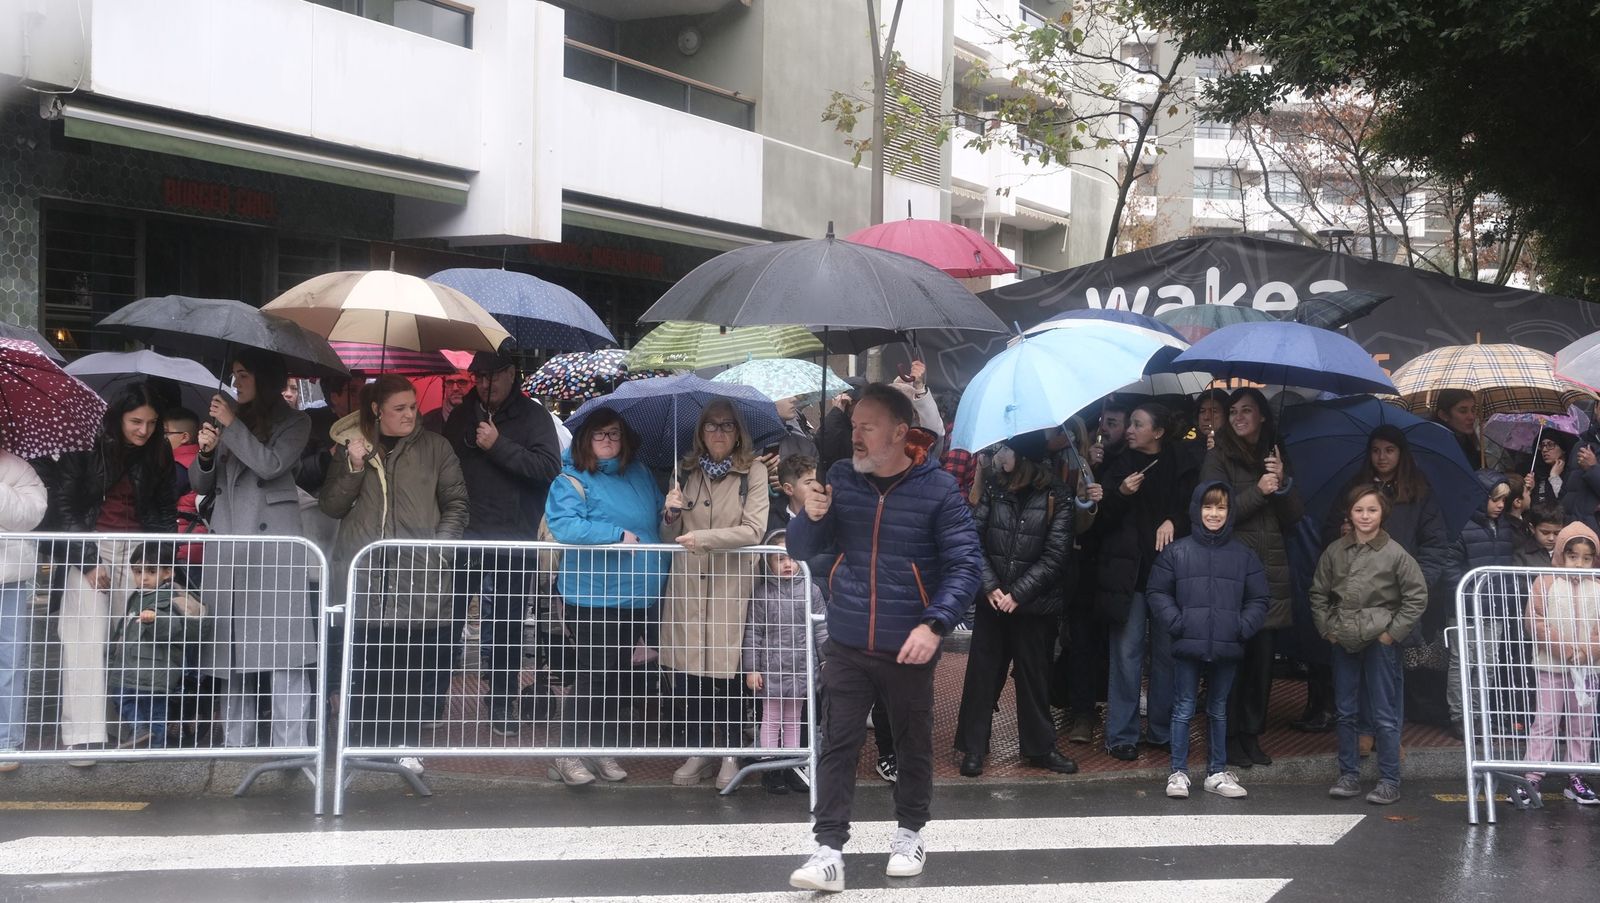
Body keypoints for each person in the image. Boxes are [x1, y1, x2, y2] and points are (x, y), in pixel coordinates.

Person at [786, 384, 982, 893]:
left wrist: (934, 623)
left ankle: (910, 833)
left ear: (899, 432)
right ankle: (828, 848)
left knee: (912, 741)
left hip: (908, 642)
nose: (856, 436)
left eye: (867, 427)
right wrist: (809, 516)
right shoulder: (839, 479)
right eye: (854, 426)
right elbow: (803, 549)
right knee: (838, 741)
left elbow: (966, 565)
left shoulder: (939, 489)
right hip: (848, 637)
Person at [320, 375, 469, 774]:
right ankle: (362, 743)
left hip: (417, 572)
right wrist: (353, 466)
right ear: (376, 410)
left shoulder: (436, 448)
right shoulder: (352, 446)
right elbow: (331, 505)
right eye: (399, 408)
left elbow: (456, 504)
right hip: (365, 572)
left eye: (412, 407)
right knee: (364, 660)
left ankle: (403, 743)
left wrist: (439, 551)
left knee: (409, 662)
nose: (409, 414)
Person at [191, 349, 318, 749]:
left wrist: (230, 426)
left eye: (244, 374)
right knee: (231, 657)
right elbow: (200, 484)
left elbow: (271, 465)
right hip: (230, 544)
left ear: (264, 378)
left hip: (273, 549)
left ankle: (291, 749)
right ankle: (235, 748)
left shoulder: (295, 421)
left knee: (285, 655)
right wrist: (205, 453)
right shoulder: (229, 419)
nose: (236, 382)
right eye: (234, 374)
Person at [50, 384, 177, 761]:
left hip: (138, 552)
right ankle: (84, 737)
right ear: (118, 416)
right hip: (93, 546)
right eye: (136, 421)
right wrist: (88, 560)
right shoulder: (85, 442)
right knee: (86, 641)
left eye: (151, 423)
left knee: (128, 641)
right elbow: (65, 507)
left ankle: (121, 729)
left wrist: (161, 560)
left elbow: (164, 509)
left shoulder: (159, 450)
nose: (144, 430)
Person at [542, 408, 668, 786]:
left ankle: (599, 747)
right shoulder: (570, 480)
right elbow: (566, 526)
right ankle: (567, 753)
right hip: (593, 594)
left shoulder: (640, 473)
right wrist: (614, 535)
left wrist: (671, 513)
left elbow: (656, 518)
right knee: (593, 674)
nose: (608, 441)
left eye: (614, 433)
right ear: (586, 439)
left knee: (617, 676)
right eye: (600, 434)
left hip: (638, 591)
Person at [443, 349, 562, 733]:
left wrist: (497, 445)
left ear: (511, 373)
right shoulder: (463, 414)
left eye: (491, 376)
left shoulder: (534, 417)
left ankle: (500, 704)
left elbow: (548, 468)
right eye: (478, 377)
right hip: (466, 532)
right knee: (446, 618)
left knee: (508, 626)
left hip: (513, 535)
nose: (483, 384)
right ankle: (432, 699)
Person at [1305, 426, 1452, 732]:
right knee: (1356, 671)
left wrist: (1418, 583)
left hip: (1397, 594)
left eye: (1389, 450)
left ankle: (1389, 736)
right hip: (1356, 595)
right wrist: (1341, 533)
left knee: (1392, 671)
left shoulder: (1419, 490)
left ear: (1401, 453)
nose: (1382, 457)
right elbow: (1328, 533)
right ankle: (1364, 731)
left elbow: (1435, 545)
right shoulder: (1354, 488)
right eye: (1375, 450)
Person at [660, 400, 770, 790]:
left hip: (730, 587)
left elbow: (754, 529)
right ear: (700, 431)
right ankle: (699, 749)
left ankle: (729, 752)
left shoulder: (753, 472)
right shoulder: (683, 469)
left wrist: (705, 539)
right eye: (711, 425)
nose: (718, 433)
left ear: (738, 432)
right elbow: (667, 537)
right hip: (690, 587)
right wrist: (670, 514)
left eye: (726, 425)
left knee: (729, 674)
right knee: (691, 674)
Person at [954, 441, 1079, 777]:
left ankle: (1040, 748)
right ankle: (973, 747)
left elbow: (1056, 555)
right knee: (982, 675)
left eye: (1005, 451)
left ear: (1024, 455)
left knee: (1034, 676)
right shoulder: (994, 488)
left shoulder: (1057, 494)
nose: (998, 457)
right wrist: (990, 586)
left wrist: (1018, 594)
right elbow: (973, 539)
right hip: (993, 601)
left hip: (1035, 605)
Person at [1201, 387, 1304, 768]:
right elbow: (1213, 514)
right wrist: (1259, 491)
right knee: (1231, 660)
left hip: (1269, 572)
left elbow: (1294, 517)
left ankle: (1251, 735)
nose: (1239, 417)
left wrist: (1283, 483)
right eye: (1233, 411)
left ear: (1262, 416)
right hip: (1231, 573)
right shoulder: (1218, 456)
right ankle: (1226, 737)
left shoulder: (1275, 455)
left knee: (1262, 663)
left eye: (1247, 410)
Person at [1147, 481, 1269, 800]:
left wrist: (1241, 627)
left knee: (1218, 708)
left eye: (1221, 507)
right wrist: (1178, 623)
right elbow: (1157, 591)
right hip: (1188, 642)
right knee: (1183, 707)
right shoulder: (1177, 551)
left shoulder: (1243, 555)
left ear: (1230, 512)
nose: (1214, 513)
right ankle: (1178, 772)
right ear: (1196, 509)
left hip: (1227, 643)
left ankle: (1216, 772)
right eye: (1208, 506)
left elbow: (1259, 598)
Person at [1312, 486, 1429, 805]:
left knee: (1384, 713)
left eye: (1372, 510)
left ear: (1383, 513)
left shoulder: (1395, 553)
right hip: (1343, 638)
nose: (1365, 516)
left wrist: (1391, 634)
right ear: (1349, 513)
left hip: (1380, 641)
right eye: (1359, 510)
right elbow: (1319, 593)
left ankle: (1389, 780)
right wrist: (1328, 629)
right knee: (1345, 711)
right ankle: (1348, 774)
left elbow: (1417, 596)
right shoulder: (1335, 551)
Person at [1096, 401, 1186, 761]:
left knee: (1167, 655)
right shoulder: (1119, 463)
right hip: (1128, 577)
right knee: (1126, 654)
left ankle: (1162, 731)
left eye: (1138, 424)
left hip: (1169, 577)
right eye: (1130, 424)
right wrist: (1121, 494)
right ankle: (1121, 735)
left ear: (1158, 432)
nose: (1129, 430)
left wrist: (1174, 520)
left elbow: (1197, 506)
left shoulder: (1181, 462)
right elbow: (1100, 521)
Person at [1515, 521, 1600, 806]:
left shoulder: (1597, 586)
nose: (1579, 564)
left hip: (1587, 670)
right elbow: (1535, 622)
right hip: (1550, 667)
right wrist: (1564, 650)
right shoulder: (1546, 582)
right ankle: (1532, 777)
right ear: (1561, 554)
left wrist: (1587, 652)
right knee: (1546, 721)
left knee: (1582, 723)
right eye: (1573, 556)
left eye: (1586, 558)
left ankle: (1577, 776)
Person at [106, 542, 207, 749]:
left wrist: (155, 619)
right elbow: (125, 626)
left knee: (155, 711)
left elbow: (174, 626)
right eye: (138, 571)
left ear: (167, 572)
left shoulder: (171, 597)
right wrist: (114, 650)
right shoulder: (137, 596)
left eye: (151, 571)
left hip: (156, 668)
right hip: (132, 665)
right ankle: (141, 732)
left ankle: (155, 746)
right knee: (122, 698)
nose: (143, 578)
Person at [741, 529, 818, 795]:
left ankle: (792, 765)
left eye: (792, 558)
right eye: (780, 559)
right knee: (771, 719)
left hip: (800, 668)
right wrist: (752, 669)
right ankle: (770, 767)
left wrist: (827, 661)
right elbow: (753, 633)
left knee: (794, 719)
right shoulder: (762, 594)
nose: (788, 564)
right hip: (771, 669)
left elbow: (821, 629)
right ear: (768, 563)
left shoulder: (811, 590)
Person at [1445, 471, 1517, 736]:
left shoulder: (1505, 526)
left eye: (1504, 500)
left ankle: (1479, 714)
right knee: (1463, 663)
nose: (1500, 505)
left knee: (1488, 663)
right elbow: (1449, 568)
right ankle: (1459, 716)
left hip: (1494, 607)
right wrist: (1469, 594)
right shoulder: (1460, 526)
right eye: (1495, 499)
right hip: (1465, 608)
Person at [0, 443, 48, 772]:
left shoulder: (19, 468)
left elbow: (30, 516)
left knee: (10, 660)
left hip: (10, 578)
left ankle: (7, 740)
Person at [1432, 389, 1480, 468]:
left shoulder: (1469, 442)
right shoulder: (1437, 450)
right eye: (1463, 411)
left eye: (1473, 410)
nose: (1472, 417)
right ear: (1444, 415)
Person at [422, 370, 474, 434]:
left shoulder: (481, 417)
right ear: (444, 386)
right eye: (450, 382)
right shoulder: (427, 421)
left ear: (472, 384)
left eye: (462, 382)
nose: (455, 388)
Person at [1518, 503, 1569, 567]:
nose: (1551, 538)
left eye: (1557, 533)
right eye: (1545, 533)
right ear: (1532, 528)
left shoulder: (1570, 551)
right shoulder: (1521, 555)